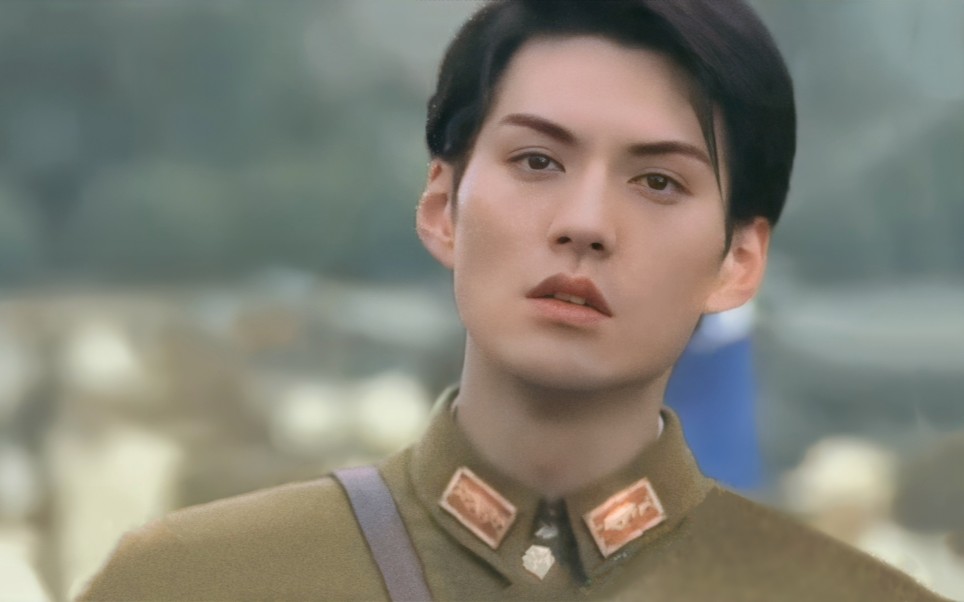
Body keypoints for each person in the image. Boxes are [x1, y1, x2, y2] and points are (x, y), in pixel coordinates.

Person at [78, 1, 947, 600]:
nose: (585, 223)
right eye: (537, 161)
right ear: (441, 206)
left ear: (739, 261)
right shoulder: (188, 583)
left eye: (657, 181)